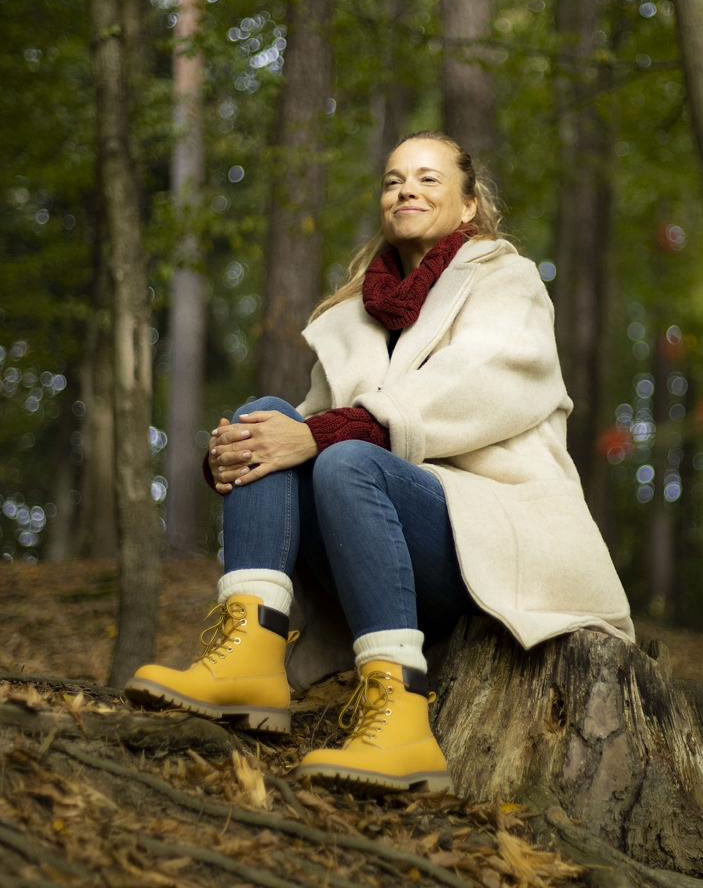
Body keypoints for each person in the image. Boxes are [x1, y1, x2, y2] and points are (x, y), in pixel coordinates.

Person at [125, 131, 635, 793]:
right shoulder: (354, 313)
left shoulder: (507, 282)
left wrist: (317, 438)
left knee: (345, 460)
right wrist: (239, 454)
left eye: (427, 178)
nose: (406, 190)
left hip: (486, 542)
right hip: (370, 544)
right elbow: (302, 436)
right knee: (266, 412)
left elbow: (477, 390)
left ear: (469, 203)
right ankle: (248, 658)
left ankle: (399, 724)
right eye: (394, 180)